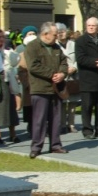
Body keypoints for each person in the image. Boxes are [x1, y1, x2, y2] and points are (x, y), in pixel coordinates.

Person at [23, 22, 70, 158]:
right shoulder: (32, 47)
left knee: (56, 119)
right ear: (45, 34)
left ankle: (55, 145)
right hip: (40, 89)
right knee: (39, 120)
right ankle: (36, 147)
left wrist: (62, 73)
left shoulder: (56, 47)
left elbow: (64, 62)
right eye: (54, 34)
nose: (57, 37)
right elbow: (33, 66)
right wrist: (51, 74)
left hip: (56, 89)